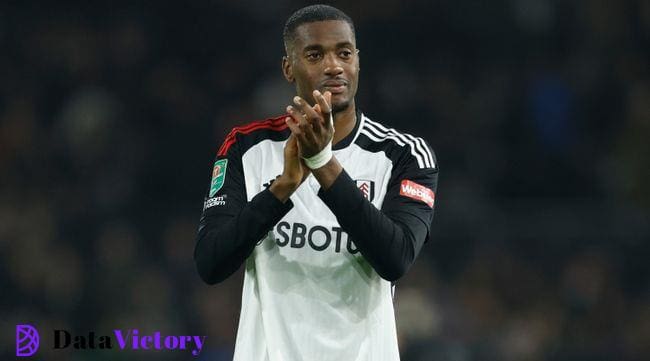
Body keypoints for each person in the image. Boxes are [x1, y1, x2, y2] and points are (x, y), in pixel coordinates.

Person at [194, 4, 438, 361]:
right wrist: (282, 188)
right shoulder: (247, 148)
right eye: (314, 54)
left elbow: (395, 258)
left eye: (344, 53)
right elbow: (210, 263)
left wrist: (322, 163)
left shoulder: (403, 155)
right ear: (288, 68)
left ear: (357, 61)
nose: (333, 66)